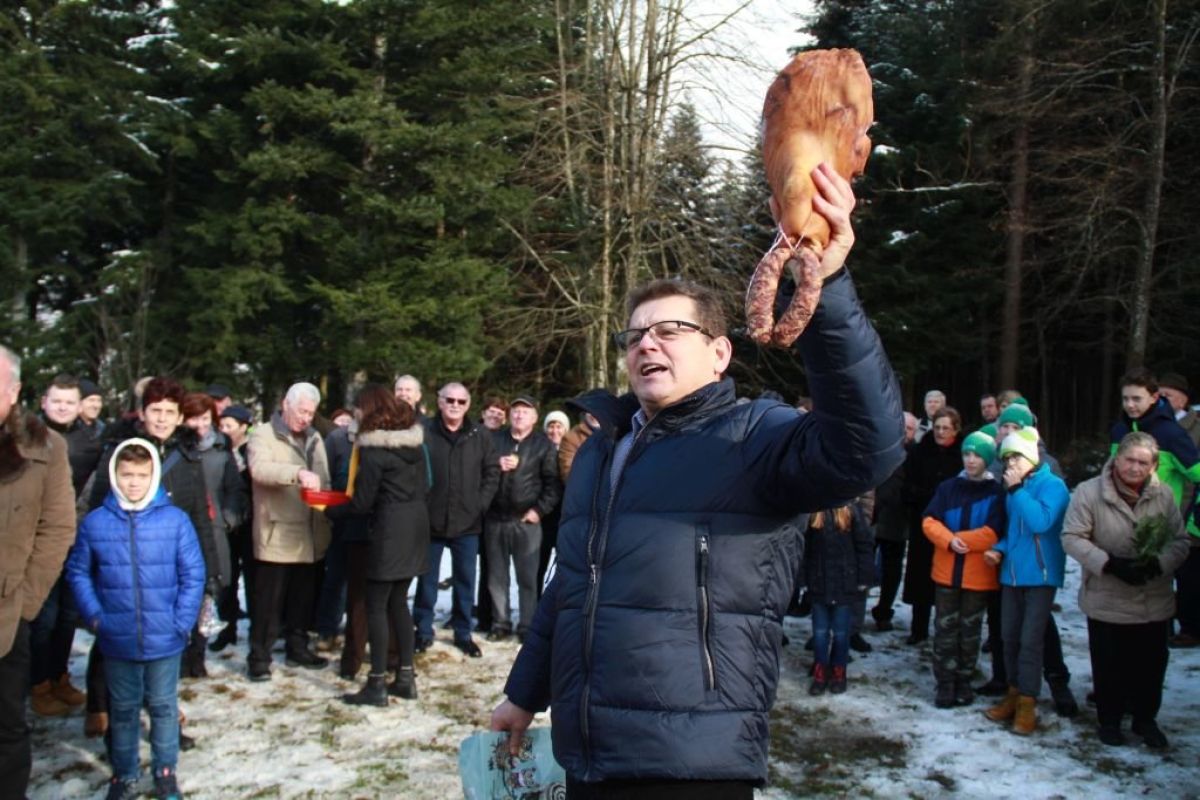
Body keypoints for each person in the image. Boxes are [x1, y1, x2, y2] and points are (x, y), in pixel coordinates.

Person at [491, 163, 904, 795]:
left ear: (719, 353)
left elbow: (866, 448)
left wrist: (826, 285)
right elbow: (571, 585)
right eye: (635, 335)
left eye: (670, 331)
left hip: (693, 759)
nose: (646, 344)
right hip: (589, 755)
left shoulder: (754, 436)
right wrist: (524, 693)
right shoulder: (600, 450)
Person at [65, 439, 205, 800]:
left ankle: (165, 771)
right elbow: (78, 572)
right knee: (123, 710)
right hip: (117, 636)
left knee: (163, 707)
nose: (134, 482)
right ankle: (124, 773)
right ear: (115, 474)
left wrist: (181, 620)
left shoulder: (175, 521)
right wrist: (96, 616)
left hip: (165, 637)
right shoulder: (97, 523)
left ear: (154, 476)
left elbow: (193, 574)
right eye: (126, 474)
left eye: (142, 475)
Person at [85, 378, 220, 736]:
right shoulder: (120, 449)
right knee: (114, 638)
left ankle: (161, 708)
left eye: (169, 412)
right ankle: (100, 704)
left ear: (179, 417)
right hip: (124, 562)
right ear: (142, 413)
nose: (161, 418)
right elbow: (98, 508)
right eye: (155, 410)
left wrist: (210, 569)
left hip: (167, 566)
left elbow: (199, 515)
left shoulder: (189, 455)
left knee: (164, 640)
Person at [1061, 432, 1189, 749]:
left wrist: (1158, 563)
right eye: (1129, 460)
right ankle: (1110, 719)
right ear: (1117, 459)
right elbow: (1072, 537)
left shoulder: (1163, 495)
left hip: (1152, 598)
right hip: (1108, 595)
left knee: (1151, 664)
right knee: (1109, 663)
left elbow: (1180, 540)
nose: (1134, 467)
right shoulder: (1089, 492)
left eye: (1143, 463)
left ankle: (1145, 719)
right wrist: (1108, 563)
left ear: (1153, 466)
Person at [0, 344, 75, 798]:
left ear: (14, 391)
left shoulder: (43, 446)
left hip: (8, 613)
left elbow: (58, 527)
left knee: (7, 724)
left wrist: (26, 603)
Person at [328, 387, 430, 705]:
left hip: (388, 534)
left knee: (376, 606)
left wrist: (329, 509)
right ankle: (405, 677)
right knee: (399, 603)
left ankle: (376, 683)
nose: (355, 414)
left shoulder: (374, 451)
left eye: (358, 408)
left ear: (369, 411)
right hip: (415, 530)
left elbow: (362, 503)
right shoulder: (413, 447)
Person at [982, 428, 1070, 736]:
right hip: (1012, 574)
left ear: (1031, 457)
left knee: (1031, 639)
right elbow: (1013, 531)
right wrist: (999, 549)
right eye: (1006, 459)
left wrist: (1018, 491)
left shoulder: (1053, 486)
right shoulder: (1014, 489)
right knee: (1008, 636)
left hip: (1041, 574)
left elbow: (1041, 523)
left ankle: (1028, 702)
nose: (1010, 464)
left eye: (1016, 457)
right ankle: (1013, 692)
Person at [246, 382, 332, 681]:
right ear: (286, 404)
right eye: (302, 411)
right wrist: (296, 473)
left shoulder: (315, 437)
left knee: (302, 599)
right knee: (268, 603)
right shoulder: (263, 434)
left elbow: (323, 477)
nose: (306, 418)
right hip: (277, 533)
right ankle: (259, 657)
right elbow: (259, 469)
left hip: (310, 533)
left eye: (310, 413)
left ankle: (298, 647)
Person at [30, 375, 101, 717]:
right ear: (44, 402)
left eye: (69, 402)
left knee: (68, 615)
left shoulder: (90, 440)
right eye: (56, 401)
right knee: (44, 616)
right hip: (39, 539)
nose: (62, 407)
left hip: (77, 537)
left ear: (79, 406)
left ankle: (60, 676)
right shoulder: (27, 437)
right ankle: (38, 683)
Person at [413, 383, 499, 658]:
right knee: (427, 581)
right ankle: (422, 630)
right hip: (431, 520)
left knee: (465, 580)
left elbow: (492, 472)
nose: (454, 405)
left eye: (461, 401)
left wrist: (479, 504)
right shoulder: (424, 431)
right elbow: (413, 469)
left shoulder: (479, 434)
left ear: (468, 405)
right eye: (449, 400)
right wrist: (421, 505)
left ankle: (463, 632)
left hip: (467, 522)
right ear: (439, 402)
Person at [922, 431, 1004, 708]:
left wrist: (959, 539)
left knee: (970, 631)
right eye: (967, 454)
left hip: (978, 576)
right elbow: (929, 521)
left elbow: (993, 532)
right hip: (946, 572)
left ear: (987, 460)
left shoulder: (995, 493)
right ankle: (945, 681)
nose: (970, 460)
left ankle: (964, 679)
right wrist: (947, 540)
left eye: (977, 456)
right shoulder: (947, 488)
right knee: (945, 629)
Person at [484, 396, 561, 642]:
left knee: (527, 578)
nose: (519, 415)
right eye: (516, 411)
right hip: (495, 518)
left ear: (535, 418)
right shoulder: (494, 440)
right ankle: (500, 622)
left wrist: (539, 510)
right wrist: (496, 464)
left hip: (526, 521)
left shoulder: (543, 445)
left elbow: (552, 484)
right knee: (496, 577)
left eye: (525, 412)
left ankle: (527, 625)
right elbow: (479, 470)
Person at [180, 393, 245, 672]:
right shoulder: (176, 448)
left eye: (205, 418)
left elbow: (234, 488)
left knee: (208, 592)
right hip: (181, 530)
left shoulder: (221, 448)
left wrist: (228, 519)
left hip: (213, 528)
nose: (200, 424)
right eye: (194, 418)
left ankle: (197, 655)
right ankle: (179, 654)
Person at [902, 407, 964, 644]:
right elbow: (907, 485)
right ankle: (918, 629)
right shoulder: (919, 452)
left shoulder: (962, 455)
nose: (940, 432)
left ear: (955, 430)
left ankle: (947, 629)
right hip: (923, 523)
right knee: (921, 577)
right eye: (937, 427)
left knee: (949, 579)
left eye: (946, 428)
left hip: (952, 525)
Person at [804, 505, 874, 695]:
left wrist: (863, 578)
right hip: (819, 583)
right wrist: (803, 578)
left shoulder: (852, 511)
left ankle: (838, 672)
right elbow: (805, 548)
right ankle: (820, 671)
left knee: (842, 633)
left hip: (845, 583)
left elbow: (864, 545)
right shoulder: (813, 512)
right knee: (820, 633)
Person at [210, 405, 256, 651]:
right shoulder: (217, 449)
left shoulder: (254, 449)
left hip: (251, 523)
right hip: (225, 524)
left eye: (229, 425)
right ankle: (227, 629)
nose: (224, 430)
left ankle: (256, 629)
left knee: (253, 579)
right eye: (221, 425)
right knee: (226, 580)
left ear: (243, 427)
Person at [870, 411, 917, 632]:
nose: (905, 432)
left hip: (897, 522)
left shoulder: (915, 455)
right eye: (902, 426)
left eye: (910, 429)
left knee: (891, 572)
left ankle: (884, 611)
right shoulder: (879, 447)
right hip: (872, 518)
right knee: (863, 567)